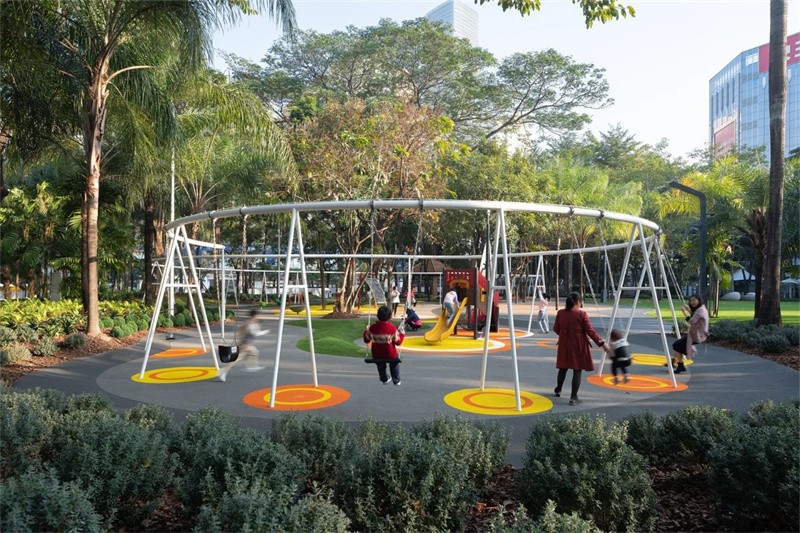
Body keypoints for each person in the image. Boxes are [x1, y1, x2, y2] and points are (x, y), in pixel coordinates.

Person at [552, 292, 610, 405]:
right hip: (578, 345)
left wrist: (564, 336)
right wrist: (602, 343)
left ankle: (558, 389)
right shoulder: (581, 314)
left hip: (564, 344)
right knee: (577, 370)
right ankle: (573, 397)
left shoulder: (560, 313)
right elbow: (590, 331)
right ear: (578, 302)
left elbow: (556, 328)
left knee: (563, 368)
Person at [219, 309, 268, 382]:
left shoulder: (251, 323)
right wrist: (264, 332)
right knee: (253, 352)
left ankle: (225, 371)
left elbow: (246, 331)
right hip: (244, 344)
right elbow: (254, 333)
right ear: (253, 316)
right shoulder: (248, 324)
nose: (258, 317)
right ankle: (249, 366)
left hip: (245, 343)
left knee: (250, 353)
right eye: (257, 316)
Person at [364, 305, 405, 385]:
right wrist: (402, 335)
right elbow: (398, 342)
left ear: (377, 316)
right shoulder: (392, 328)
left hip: (377, 355)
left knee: (381, 366)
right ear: (390, 317)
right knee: (394, 364)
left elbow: (366, 340)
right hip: (390, 355)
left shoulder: (372, 328)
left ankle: (384, 379)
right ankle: (396, 380)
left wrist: (366, 331)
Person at [671, 294, 709, 374]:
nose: (692, 302)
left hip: (697, 336)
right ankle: (674, 362)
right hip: (698, 335)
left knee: (676, 346)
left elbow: (691, 321)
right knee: (677, 346)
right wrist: (689, 310)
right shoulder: (701, 309)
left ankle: (679, 365)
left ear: (699, 300)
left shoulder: (700, 310)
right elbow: (695, 317)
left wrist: (684, 312)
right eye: (691, 300)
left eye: (694, 300)